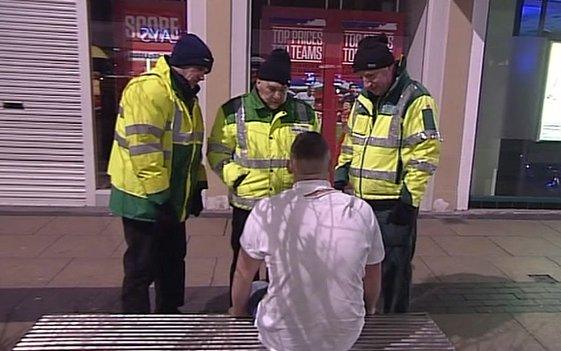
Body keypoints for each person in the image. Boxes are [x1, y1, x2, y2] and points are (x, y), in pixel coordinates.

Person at [229, 132, 384, 351]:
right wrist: (369, 309)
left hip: (281, 338)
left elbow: (243, 273)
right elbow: (373, 274)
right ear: (330, 166)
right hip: (344, 334)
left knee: (256, 286)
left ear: (289, 166)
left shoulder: (268, 210)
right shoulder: (360, 210)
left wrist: (238, 312)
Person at [335, 34, 441, 313]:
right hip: (360, 200)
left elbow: (424, 153)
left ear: (391, 68)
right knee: (362, 266)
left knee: (393, 268)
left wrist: (409, 199)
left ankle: (393, 326)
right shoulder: (363, 100)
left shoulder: (417, 99)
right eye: (363, 77)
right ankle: (366, 319)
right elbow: (351, 140)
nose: (367, 83)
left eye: (372, 76)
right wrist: (341, 173)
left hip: (393, 204)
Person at [107, 33, 212, 313]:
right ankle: (136, 322)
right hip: (143, 196)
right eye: (200, 70)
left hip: (170, 195)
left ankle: (169, 313)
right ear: (185, 65)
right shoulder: (149, 90)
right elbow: (144, 146)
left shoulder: (186, 97)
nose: (201, 77)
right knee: (142, 264)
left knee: (173, 258)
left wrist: (197, 186)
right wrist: (159, 195)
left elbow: (192, 148)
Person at [207, 49, 319, 297]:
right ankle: (241, 310)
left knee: (282, 263)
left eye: (283, 89)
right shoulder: (233, 111)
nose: (277, 95)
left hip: (288, 204)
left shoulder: (303, 113)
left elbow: (313, 154)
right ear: (258, 82)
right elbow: (217, 152)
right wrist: (236, 177)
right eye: (271, 89)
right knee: (245, 263)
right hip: (248, 205)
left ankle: (278, 310)